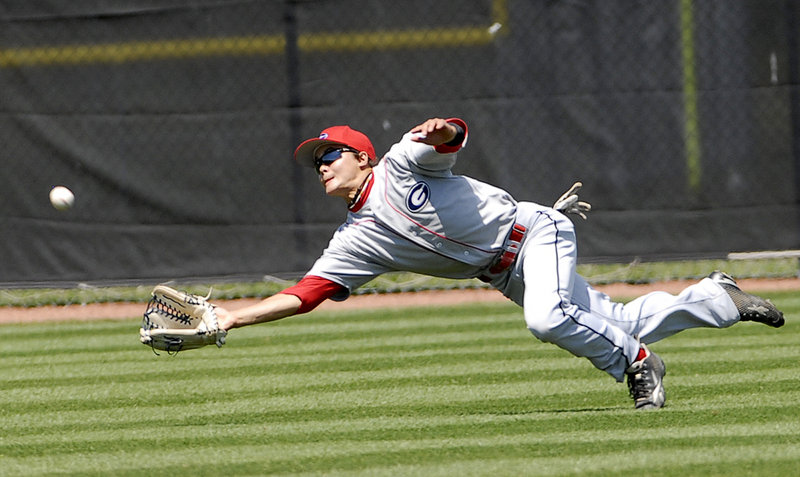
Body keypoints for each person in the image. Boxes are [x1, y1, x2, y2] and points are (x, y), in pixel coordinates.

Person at [215, 117, 785, 409]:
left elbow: (448, 137)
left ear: (360, 157)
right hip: (504, 272)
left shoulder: (398, 166)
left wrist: (442, 131)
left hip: (535, 231)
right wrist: (231, 319)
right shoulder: (352, 241)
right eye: (315, 161)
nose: (321, 166)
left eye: (329, 155)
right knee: (613, 321)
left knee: (548, 319)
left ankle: (637, 366)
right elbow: (306, 293)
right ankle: (716, 297)